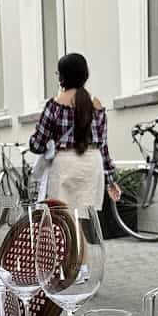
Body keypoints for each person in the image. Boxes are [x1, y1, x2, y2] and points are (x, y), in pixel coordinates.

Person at [29, 52, 121, 211]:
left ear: (62, 77)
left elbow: (37, 145)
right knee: (86, 221)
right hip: (92, 164)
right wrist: (110, 180)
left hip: (65, 165)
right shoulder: (96, 104)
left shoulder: (55, 104)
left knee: (63, 221)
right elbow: (103, 147)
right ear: (85, 75)